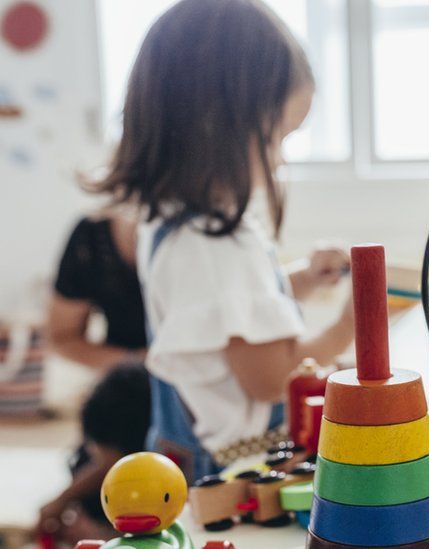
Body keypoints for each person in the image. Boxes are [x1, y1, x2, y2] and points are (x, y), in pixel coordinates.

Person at [90, 0, 355, 482]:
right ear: (217, 126)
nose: (279, 160)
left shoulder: (171, 221)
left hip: (188, 457)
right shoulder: (217, 243)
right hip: (239, 471)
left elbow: (224, 323)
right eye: (277, 136)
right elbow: (271, 379)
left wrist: (301, 280)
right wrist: (348, 325)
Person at [36, 209, 151, 543]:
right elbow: (61, 336)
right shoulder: (92, 238)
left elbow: (107, 462)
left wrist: (60, 501)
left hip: (144, 397)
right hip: (126, 386)